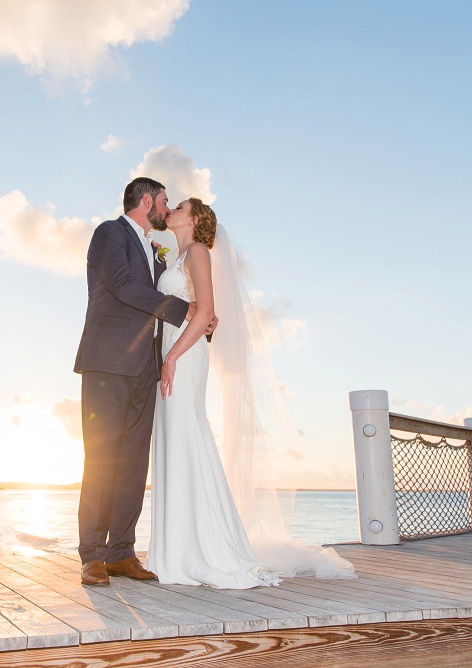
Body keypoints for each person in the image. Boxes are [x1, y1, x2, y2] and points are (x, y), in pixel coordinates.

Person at [147, 198, 357, 588]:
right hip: (175, 350)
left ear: (193, 219)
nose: (171, 208)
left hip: (184, 356)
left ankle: (201, 550)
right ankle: (177, 548)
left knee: (187, 439)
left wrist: (173, 356)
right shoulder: (177, 256)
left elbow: (207, 311)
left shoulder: (196, 251)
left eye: (179, 205)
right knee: (177, 443)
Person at [73, 177, 213, 587]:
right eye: (165, 201)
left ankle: (121, 553)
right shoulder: (108, 234)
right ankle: (92, 555)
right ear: (147, 200)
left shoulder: (158, 251)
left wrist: (199, 316)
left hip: (144, 369)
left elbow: (166, 298)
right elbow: (124, 287)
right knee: (101, 460)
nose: (167, 209)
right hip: (106, 365)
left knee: (134, 464)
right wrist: (185, 309)